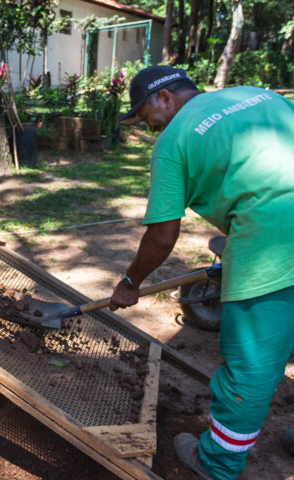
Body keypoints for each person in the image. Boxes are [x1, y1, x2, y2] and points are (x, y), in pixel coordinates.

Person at [109, 65, 294, 479]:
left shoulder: (174, 141)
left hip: (274, 237)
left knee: (251, 367)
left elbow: (161, 236)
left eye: (147, 120)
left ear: (164, 99)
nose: (152, 129)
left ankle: (217, 464)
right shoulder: (255, 93)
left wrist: (129, 283)